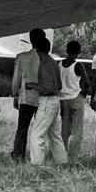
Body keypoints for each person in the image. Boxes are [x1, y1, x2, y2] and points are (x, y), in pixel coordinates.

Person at [28, 34, 67, 165]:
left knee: (37, 134)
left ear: (37, 50)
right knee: (55, 135)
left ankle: (37, 163)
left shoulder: (44, 65)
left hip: (46, 101)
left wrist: (32, 86)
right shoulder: (53, 62)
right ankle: (62, 161)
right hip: (56, 101)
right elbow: (59, 85)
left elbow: (47, 88)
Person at [10, 28, 46, 161]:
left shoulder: (21, 57)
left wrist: (15, 95)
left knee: (22, 128)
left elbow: (16, 79)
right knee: (41, 130)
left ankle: (18, 155)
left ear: (30, 40)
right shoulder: (47, 58)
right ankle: (37, 156)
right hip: (42, 98)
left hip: (26, 98)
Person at [58, 40, 91, 159]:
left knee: (65, 129)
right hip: (75, 98)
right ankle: (73, 158)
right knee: (77, 131)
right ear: (78, 52)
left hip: (62, 99)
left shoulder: (60, 64)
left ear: (67, 51)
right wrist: (83, 94)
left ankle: (62, 155)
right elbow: (87, 82)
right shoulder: (78, 65)